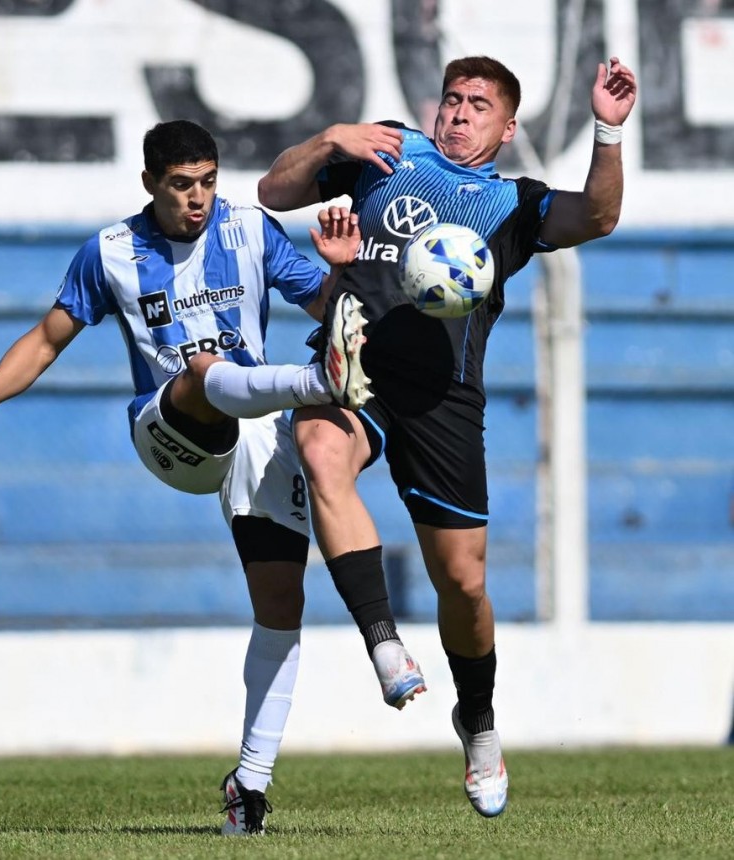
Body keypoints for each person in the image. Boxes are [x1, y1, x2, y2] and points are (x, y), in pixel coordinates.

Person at [0, 119, 423, 837]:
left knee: (280, 603)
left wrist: (341, 271)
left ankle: (249, 783)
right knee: (200, 368)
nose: (198, 198)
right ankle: (315, 383)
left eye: (208, 182)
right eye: (182, 185)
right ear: (150, 183)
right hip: (169, 431)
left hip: (255, 429)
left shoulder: (249, 230)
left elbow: (329, 310)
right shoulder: (111, 252)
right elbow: (47, 339)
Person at [258, 56, 638, 818]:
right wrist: (331, 140)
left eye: (478, 105)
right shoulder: (388, 151)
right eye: (452, 100)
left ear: (508, 127)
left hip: (444, 399)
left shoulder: (512, 204)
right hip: (356, 363)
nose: (459, 113)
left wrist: (606, 131)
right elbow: (274, 191)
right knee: (321, 451)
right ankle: (383, 642)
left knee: (463, 585)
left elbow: (597, 216)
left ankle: (479, 722)